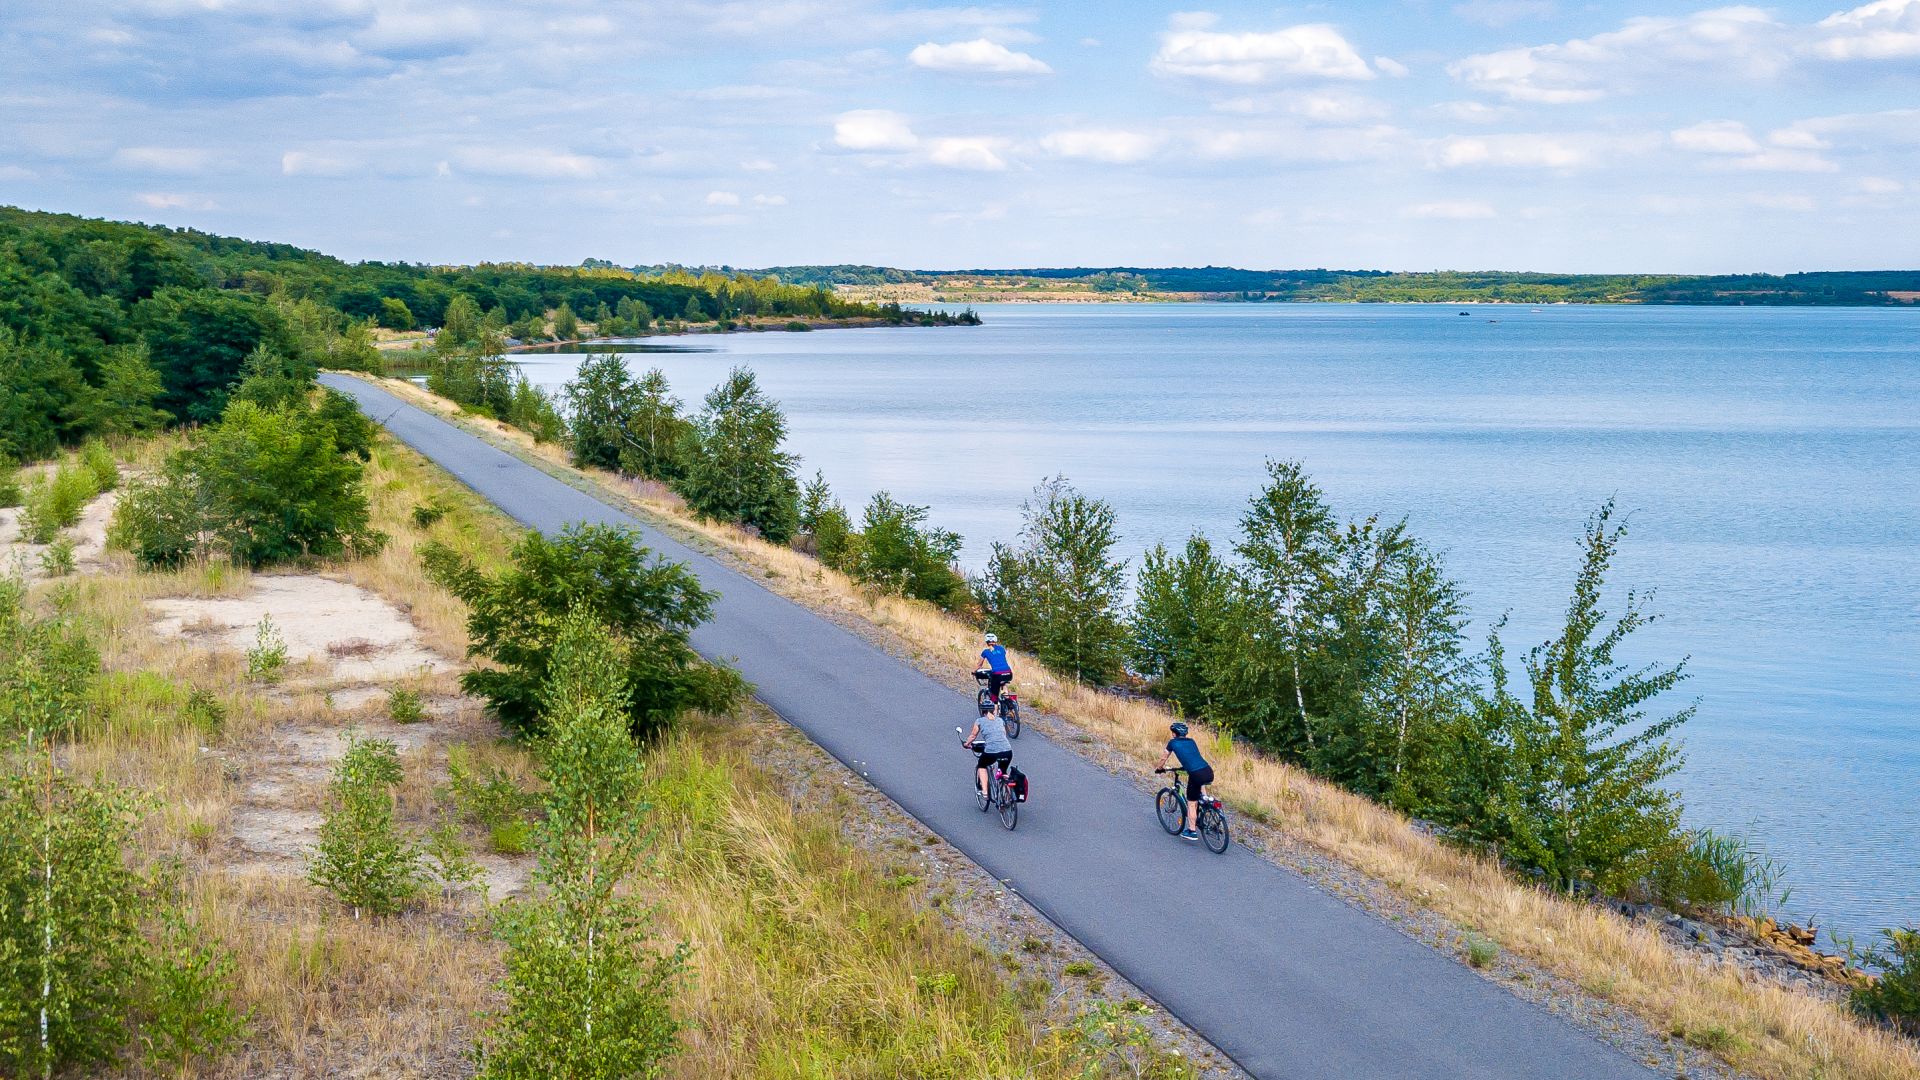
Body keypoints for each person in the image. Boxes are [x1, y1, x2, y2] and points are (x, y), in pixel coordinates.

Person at [1158, 722, 1214, 841]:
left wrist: (1159, 768)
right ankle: (1206, 802)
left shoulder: (1172, 743)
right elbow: (1192, 756)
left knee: (1191, 802)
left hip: (1196, 774)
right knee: (1199, 785)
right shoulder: (1192, 741)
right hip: (1208, 771)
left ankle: (1192, 831)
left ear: (1174, 733)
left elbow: (1164, 757)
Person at [963, 707, 1014, 806]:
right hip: (1007, 750)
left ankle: (985, 793)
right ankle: (1008, 796)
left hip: (991, 752)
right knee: (1003, 771)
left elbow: (973, 736)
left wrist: (967, 744)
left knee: (982, 766)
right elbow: (1003, 733)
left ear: (983, 711)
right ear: (993, 710)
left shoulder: (979, 721)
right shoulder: (1000, 720)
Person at [976, 631, 1013, 705]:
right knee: (1003, 685)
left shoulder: (985, 652)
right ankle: (1010, 704)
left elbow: (979, 665)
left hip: (997, 674)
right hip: (1008, 672)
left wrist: (974, 671)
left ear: (986, 642)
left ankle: (994, 707)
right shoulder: (1002, 648)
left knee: (994, 693)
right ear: (995, 641)